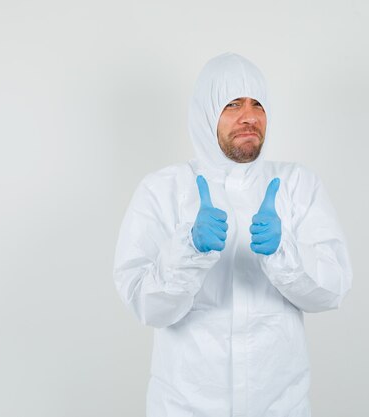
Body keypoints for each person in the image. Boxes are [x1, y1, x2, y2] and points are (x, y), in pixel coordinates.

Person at [113, 52, 353, 417]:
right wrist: (188, 251)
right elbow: (147, 307)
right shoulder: (162, 190)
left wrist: (284, 253)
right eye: (232, 104)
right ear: (206, 113)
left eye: (258, 104)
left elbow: (333, 290)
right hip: (185, 407)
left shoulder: (297, 185)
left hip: (281, 406)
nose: (249, 117)